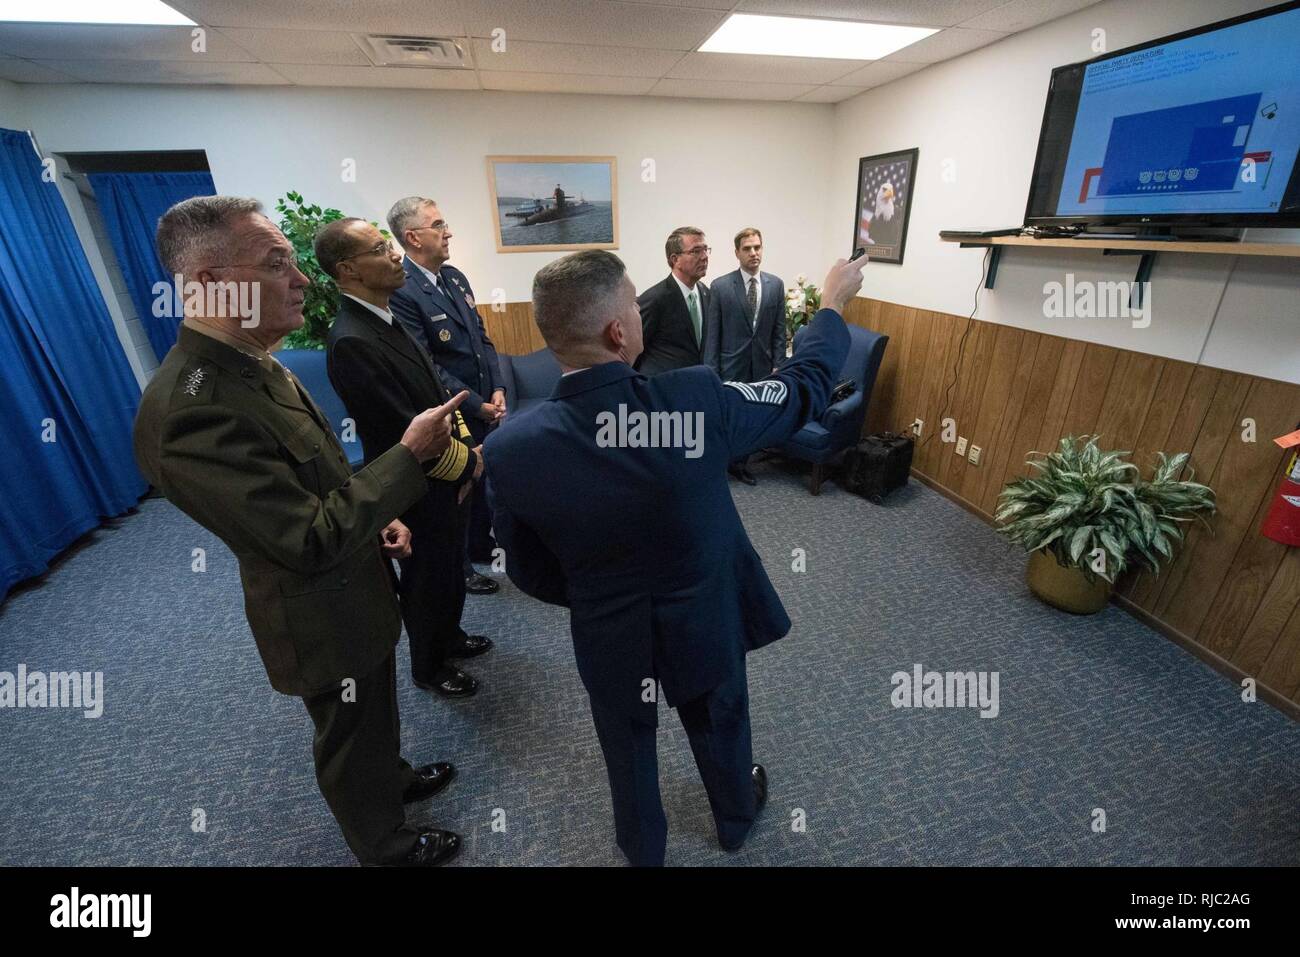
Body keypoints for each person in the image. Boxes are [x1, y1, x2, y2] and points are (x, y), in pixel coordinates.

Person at [483, 249, 866, 866]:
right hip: (703, 614)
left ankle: (643, 848)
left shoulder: (510, 448)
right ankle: (736, 818)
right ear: (618, 331)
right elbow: (803, 391)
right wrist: (831, 306)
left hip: (607, 627)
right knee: (719, 715)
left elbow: (523, 565)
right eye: (633, 305)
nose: (638, 313)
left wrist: (596, 591)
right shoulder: (692, 402)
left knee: (625, 741)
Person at [133, 196, 465, 866]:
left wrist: (378, 521)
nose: (303, 278)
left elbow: (317, 479)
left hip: (354, 576)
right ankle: (383, 840)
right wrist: (409, 458)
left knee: (373, 707)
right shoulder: (189, 412)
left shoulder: (252, 357)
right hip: (315, 610)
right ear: (210, 284)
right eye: (276, 262)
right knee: (347, 729)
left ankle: (392, 778)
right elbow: (304, 537)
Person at [317, 217, 493, 699]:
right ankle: (430, 665)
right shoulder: (353, 338)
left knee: (448, 565)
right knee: (425, 579)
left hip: (443, 469)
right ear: (348, 269)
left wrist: (467, 454)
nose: (395, 254)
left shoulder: (386, 315)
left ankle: (449, 637)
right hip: (412, 481)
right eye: (380, 249)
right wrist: (469, 464)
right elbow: (403, 429)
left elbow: (438, 398)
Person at [387, 196, 504, 595]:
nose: (447, 231)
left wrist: (499, 387)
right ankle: (462, 565)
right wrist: (476, 403)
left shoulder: (454, 278)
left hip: (486, 401)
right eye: (438, 225)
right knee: (459, 488)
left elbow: (482, 341)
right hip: (450, 410)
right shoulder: (402, 290)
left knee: (484, 477)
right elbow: (427, 364)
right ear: (413, 237)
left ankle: (481, 544)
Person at [704, 227, 789, 485]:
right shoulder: (720, 286)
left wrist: (779, 365)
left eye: (757, 247)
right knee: (729, 417)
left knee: (753, 416)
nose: (754, 253)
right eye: (747, 248)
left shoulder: (775, 285)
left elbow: (779, 329)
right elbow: (713, 335)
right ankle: (727, 462)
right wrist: (711, 372)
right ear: (737, 253)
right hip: (731, 365)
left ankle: (742, 462)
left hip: (762, 365)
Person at [634, 226, 712, 376]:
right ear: (675, 259)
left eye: (705, 249)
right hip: (663, 388)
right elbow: (634, 350)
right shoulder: (655, 298)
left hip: (697, 384)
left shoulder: (706, 294)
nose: (704, 257)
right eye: (696, 251)